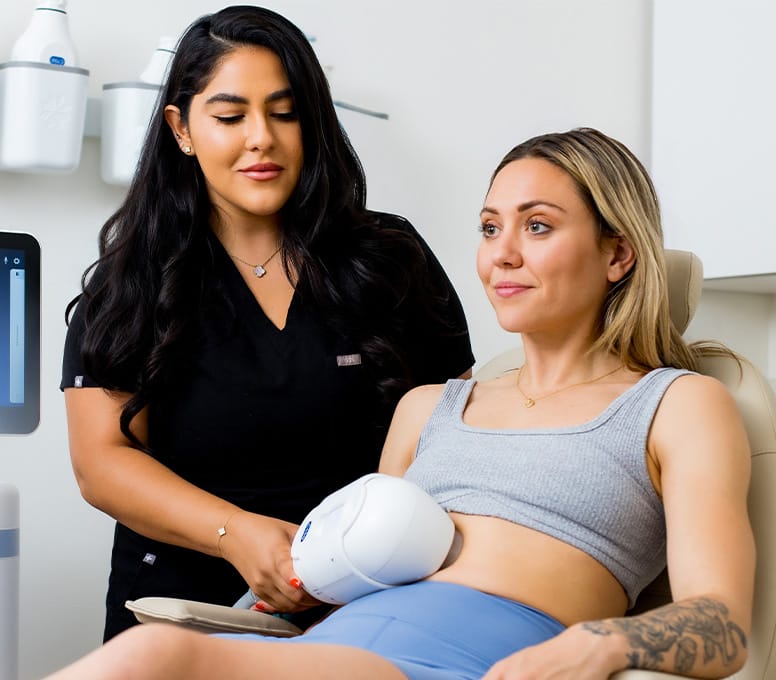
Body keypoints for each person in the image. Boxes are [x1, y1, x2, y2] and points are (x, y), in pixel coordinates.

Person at [49, 127, 754, 680]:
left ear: (618, 255)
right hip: (333, 649)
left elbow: (723, 625)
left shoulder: (677, 404)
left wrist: (599, 643)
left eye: (537, 226)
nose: (501, 254)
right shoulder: (428, 407)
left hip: (463, 663)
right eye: (488, 227)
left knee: (152, 663)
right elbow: (351, 579)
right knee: (156, 657)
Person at [60, 5, 474, 642]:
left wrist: (367, 560)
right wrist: (236, 535)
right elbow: (101, 460)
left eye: (285, 113)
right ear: (182, 128)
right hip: (185, 612)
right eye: (230, 116)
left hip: (371, 600)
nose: (262, 138)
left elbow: (460, 426)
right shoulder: (130, 285)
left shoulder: (389, 259)